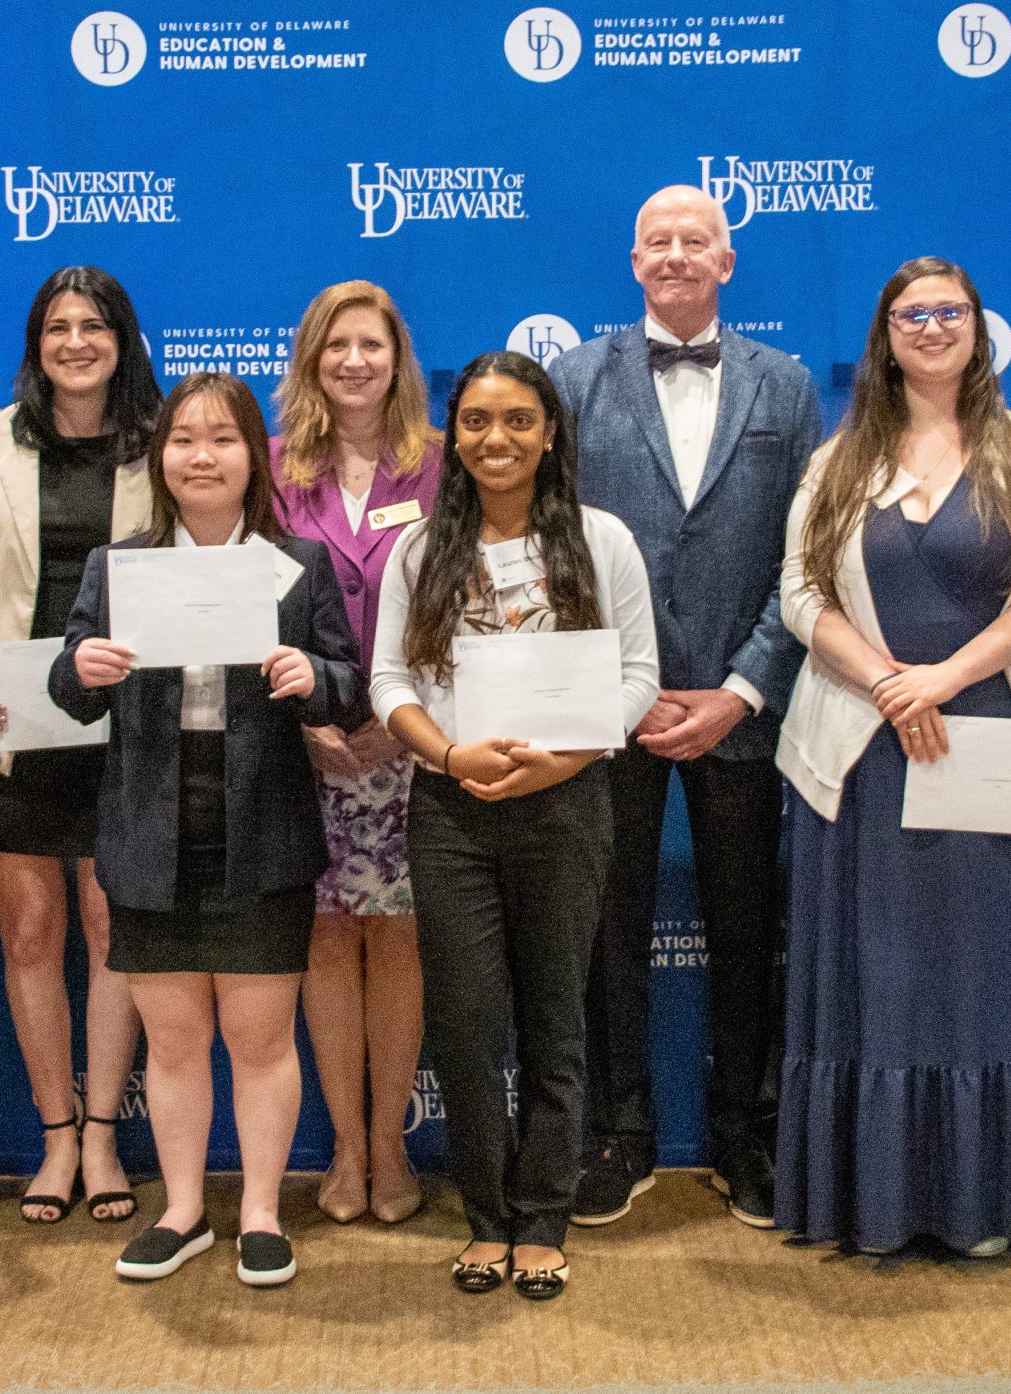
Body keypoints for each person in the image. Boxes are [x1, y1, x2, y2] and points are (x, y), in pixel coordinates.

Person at [773, 257, 1011, 1258]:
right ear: (883, 334)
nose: (928, 326)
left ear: (977, 327)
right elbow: (799, 593)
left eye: (947, 311)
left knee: (983, 977)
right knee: (884, 978)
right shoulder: (837, 460)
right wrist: (885, 679)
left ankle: (983, 1199)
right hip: (866, 752)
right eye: (909, 313)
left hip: (992, 742)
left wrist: (943, 676)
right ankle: (874, 1198)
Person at [52, 372, 366, 1287]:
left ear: (253, 457)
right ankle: (184, 1209)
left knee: (262, 1041)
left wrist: (314, 675)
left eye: (223, 439)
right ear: (161, 458)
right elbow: (66, 694)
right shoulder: (120, 566)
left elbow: (349, 681)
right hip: (152, 832)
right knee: (175, 1040)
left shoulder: (296, 564)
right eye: (183, 439)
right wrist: (87, 665)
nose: (201, 455)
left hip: (261, 828)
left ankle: (262, 1215)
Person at [548, 184, 820, 1231]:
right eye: (656, 239)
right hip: (609, 705)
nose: (674, 254)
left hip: (742, 706)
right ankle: (616, 1133)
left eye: (694, 240)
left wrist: (743, 684)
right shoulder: (573, 379)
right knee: (603, 928)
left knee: (748, 931)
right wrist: (621, 686)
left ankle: (745, 1134)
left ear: (727, 262)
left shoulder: (786, 387)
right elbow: (555, 548)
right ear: (632, 261)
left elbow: (807, 555)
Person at [371, 351, 661, 1301]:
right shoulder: (421, 549)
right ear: (451, 438)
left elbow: (639, 680)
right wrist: (450, 758)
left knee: (555, 1020)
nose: (497, 440)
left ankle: (542, 1217)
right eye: (478, 423)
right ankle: (485, 1220)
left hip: (567, 802)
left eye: (519, 421)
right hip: (451, 811)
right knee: (463, 1023)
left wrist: (567, 756)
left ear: (549, 434)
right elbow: (389, 685)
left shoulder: (602, 540)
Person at [0, 265, 158, 1226]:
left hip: (128, 726)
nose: (76, 342)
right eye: (58, 326)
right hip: (11, 722)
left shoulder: (162, 442)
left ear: (122, 339)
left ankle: (105, 1135)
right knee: (30, 932)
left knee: (114, 931)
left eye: (95, 325)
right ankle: (54, 1135)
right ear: (35, 342)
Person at [267, 280, 441, 1226]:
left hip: (414, 742)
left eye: (371, 344)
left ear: (396, 359)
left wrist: (399, 713)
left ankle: (389, 1144)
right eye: (336, 346)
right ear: (311, 359)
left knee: (400, 941)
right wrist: (307, 722)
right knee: (327, 941)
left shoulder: (444, 467)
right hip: (304, 747)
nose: (354, 362)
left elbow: (469, 607)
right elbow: (246, 609)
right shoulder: (270, 469)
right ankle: (342, 1145)